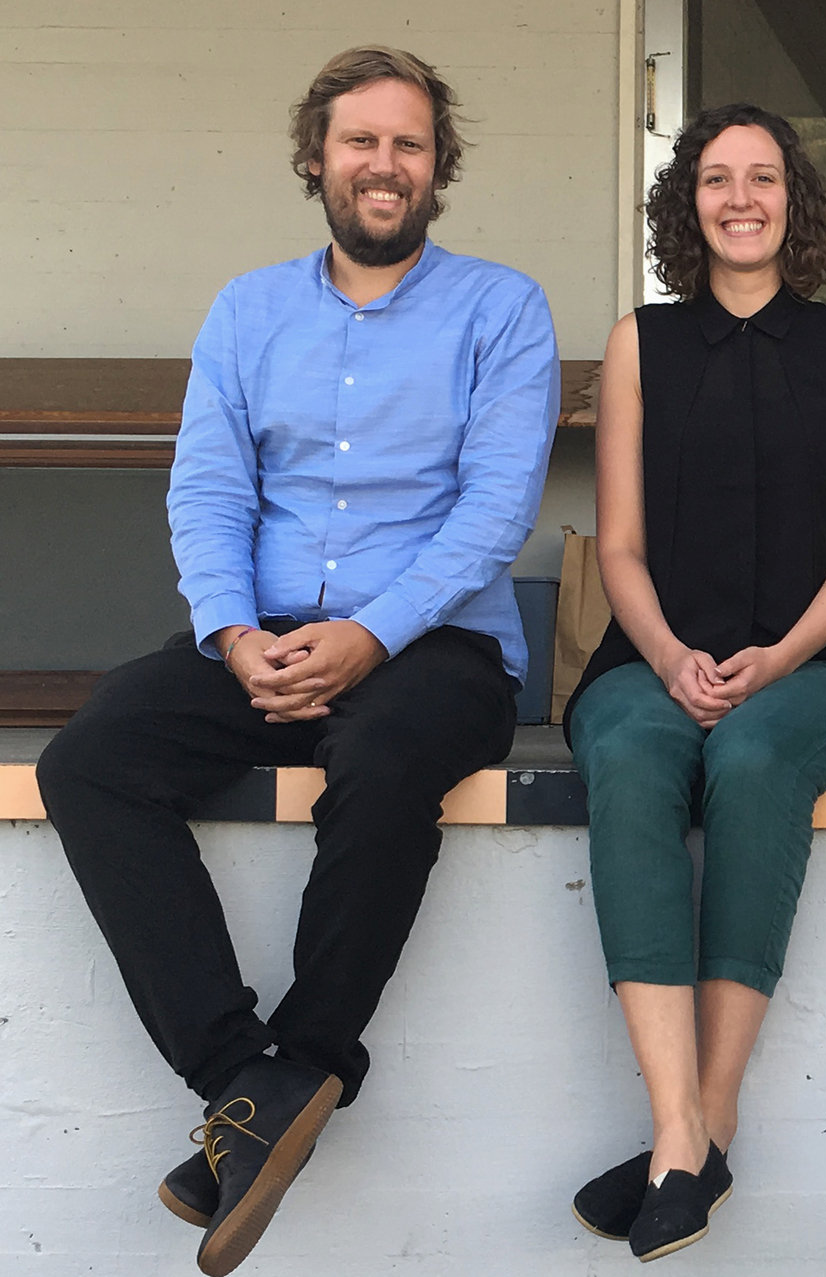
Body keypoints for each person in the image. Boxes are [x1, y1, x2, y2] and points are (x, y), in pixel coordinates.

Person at [34, 46, 557, 1276]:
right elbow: (209, 490)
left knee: (382, 757)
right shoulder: (246, 310)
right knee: (89, 759)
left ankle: (308, 1054)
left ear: (438, 167)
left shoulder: (501, 308)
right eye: (360, 140)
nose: (385, 163)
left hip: (434, 643)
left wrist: (370, 633)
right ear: (316, 159)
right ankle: (245, 1077)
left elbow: (494, 510)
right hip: (258, 634)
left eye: (409, 144)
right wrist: (232, 634)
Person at [559, 103, 826, 1262]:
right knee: (627, 752)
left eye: (762, 178)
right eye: (716, 178)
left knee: (752, 758)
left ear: (793, 201)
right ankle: (681, 1132)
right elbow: (618, 546)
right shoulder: (639, 342)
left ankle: (707, 1118)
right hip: (653, 655)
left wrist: (777, 658)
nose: (740, 198)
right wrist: (666, 655)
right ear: (687, 202)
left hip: (816, 664)